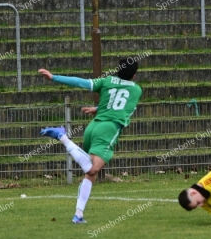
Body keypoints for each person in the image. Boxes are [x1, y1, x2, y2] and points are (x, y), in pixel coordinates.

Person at [39, 59, 142, 224]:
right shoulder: (136, 90)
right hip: (108, 130)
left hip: (92, 128)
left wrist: (54, 77)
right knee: (93, 169)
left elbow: (81, 82)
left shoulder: (107, 81)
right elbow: (123, 107)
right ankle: (62, 137)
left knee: (89, 174)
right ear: (134, 75)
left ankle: (78, 214)